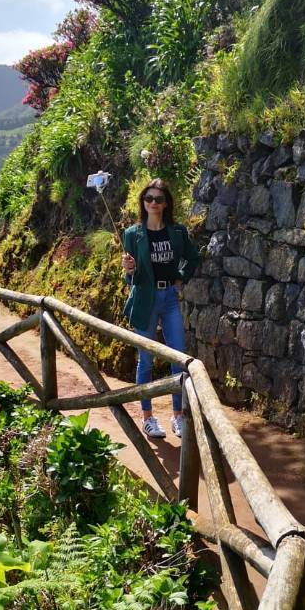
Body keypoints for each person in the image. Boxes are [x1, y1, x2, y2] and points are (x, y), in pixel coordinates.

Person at [121, 178, 200, 438]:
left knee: (178, 356)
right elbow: (131, 277)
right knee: (146, 360)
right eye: (149, 199)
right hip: (146, 298)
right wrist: (129, 270)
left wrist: (181, 277)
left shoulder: (177, 232)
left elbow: (193, 257)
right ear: (143, 203)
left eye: (158, 199)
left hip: (169, 298)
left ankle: (177, 416)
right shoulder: (133, 233)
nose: (153, 203)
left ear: (166, 204)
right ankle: (148, 417)